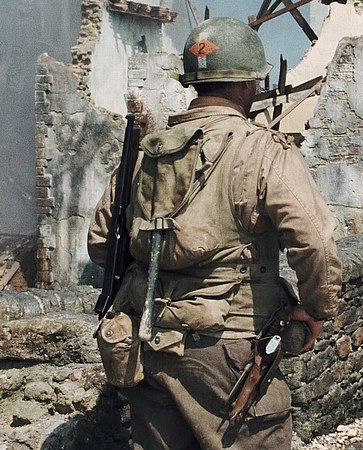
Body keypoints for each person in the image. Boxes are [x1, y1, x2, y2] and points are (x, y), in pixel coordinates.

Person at [88, 17, 342, 450]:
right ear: (247, 85)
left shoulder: (147, 154)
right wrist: (317, 308)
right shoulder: (261, 149)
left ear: (193, 82)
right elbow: (314, 242)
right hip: (230, 352)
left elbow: (100, 243)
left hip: (148, 343)